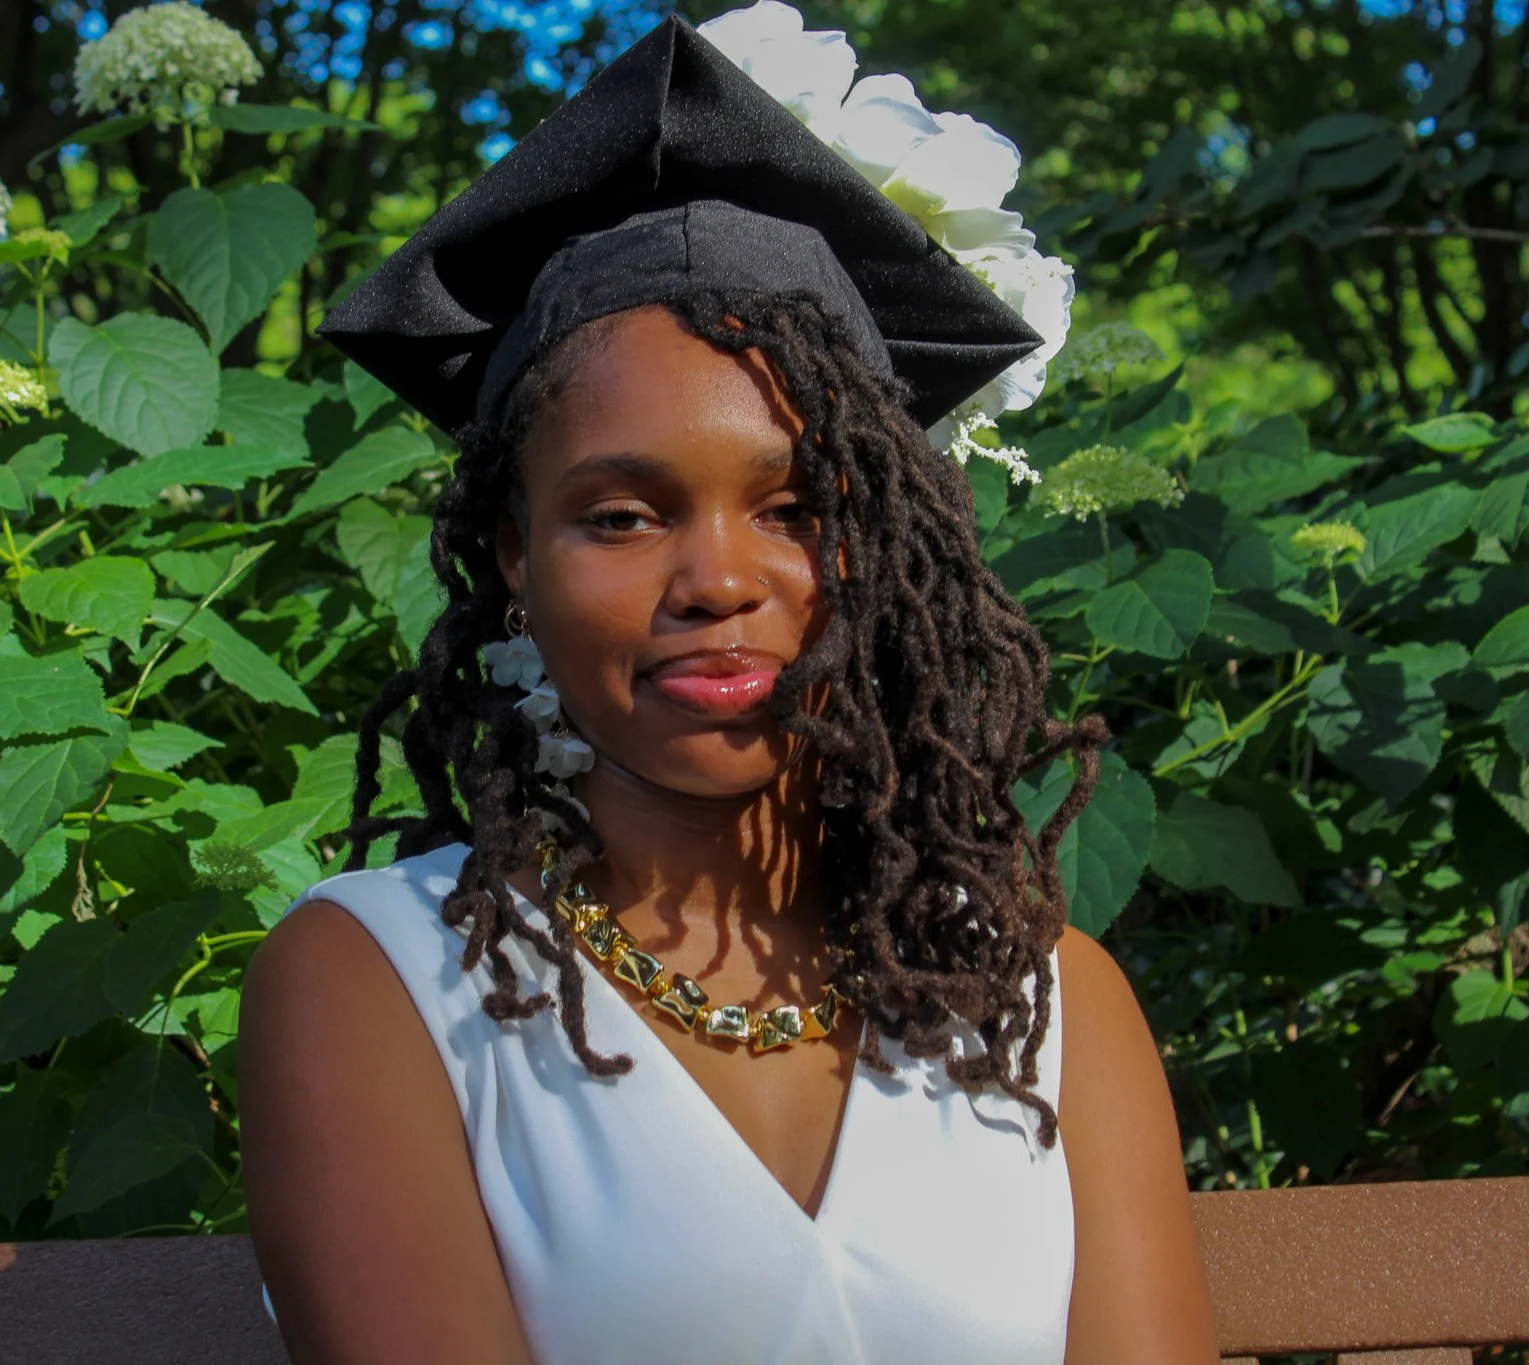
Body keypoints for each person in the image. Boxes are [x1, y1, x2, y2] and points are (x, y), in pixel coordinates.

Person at [238, 13, 1217, 1363]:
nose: (716, 580)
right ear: (516, 555)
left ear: (889, 545)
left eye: (801, 505)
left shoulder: (1048, 1001)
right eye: (623, 516)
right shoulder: (381, 984)